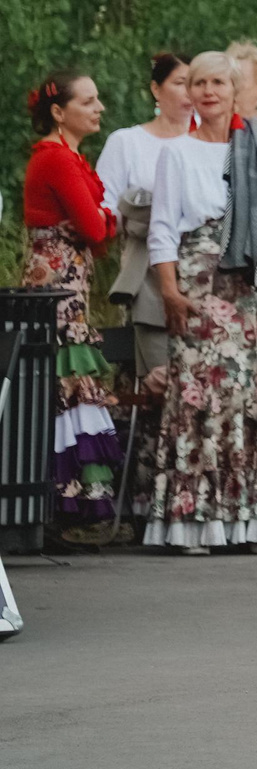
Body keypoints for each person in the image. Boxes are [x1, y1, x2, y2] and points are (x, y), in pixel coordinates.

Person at [143, 51, 257, 553]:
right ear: (189, 93)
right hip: (198, 279)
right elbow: (163, 228)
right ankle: (197, 520)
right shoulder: (177, 153)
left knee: (256, 395)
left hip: (254, 278)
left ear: (236, 91)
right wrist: (169, 290)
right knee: (201, 396)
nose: (209, 92)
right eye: (199, 83)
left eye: (218, 83)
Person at [22, 70, 124, 542]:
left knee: (66, 383)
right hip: (58, 288)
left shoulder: (66, 157)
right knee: (64, 382)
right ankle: (63, 505)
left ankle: (69, 505)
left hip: (67, 285)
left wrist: (100, 219)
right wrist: (107, 218)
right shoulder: (57, 159)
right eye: (88, 101)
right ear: (59, 112)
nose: (99, 107)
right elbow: (95, 227)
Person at [100, 52, 195, 386]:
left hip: (199, 269)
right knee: (152, 368)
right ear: (156, 89)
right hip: (146, 266)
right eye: (180, 83)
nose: (189, 93)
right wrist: (141, 215)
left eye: (195, 84)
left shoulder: (211, 143)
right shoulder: (127, 142)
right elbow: (106, 208)